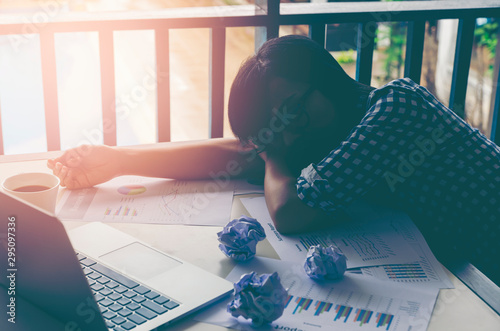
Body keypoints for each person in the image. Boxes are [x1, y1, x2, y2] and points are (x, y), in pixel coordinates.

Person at [48, 35, 500, 283]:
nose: (291, 127)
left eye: (294, 110)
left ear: (326, 76)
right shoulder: (324, 126)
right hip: (462, 266)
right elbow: (245, 153)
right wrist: (120, 159)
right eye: (277, 121)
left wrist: (274, 149)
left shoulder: (396, 107)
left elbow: (290, 211)